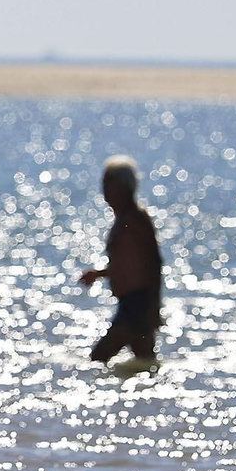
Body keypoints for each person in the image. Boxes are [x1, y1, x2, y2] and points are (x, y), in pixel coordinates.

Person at [79, 155, 163, 365]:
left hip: (137, 304)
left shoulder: (136, 219)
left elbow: (153, 262)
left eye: (109, 183)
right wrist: (99, 274)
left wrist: (153, 306)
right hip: (130, 302)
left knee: (98, 359)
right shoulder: (123, 219)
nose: (105, 189)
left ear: (124, 187)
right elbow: (127, 264)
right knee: (146, 361)